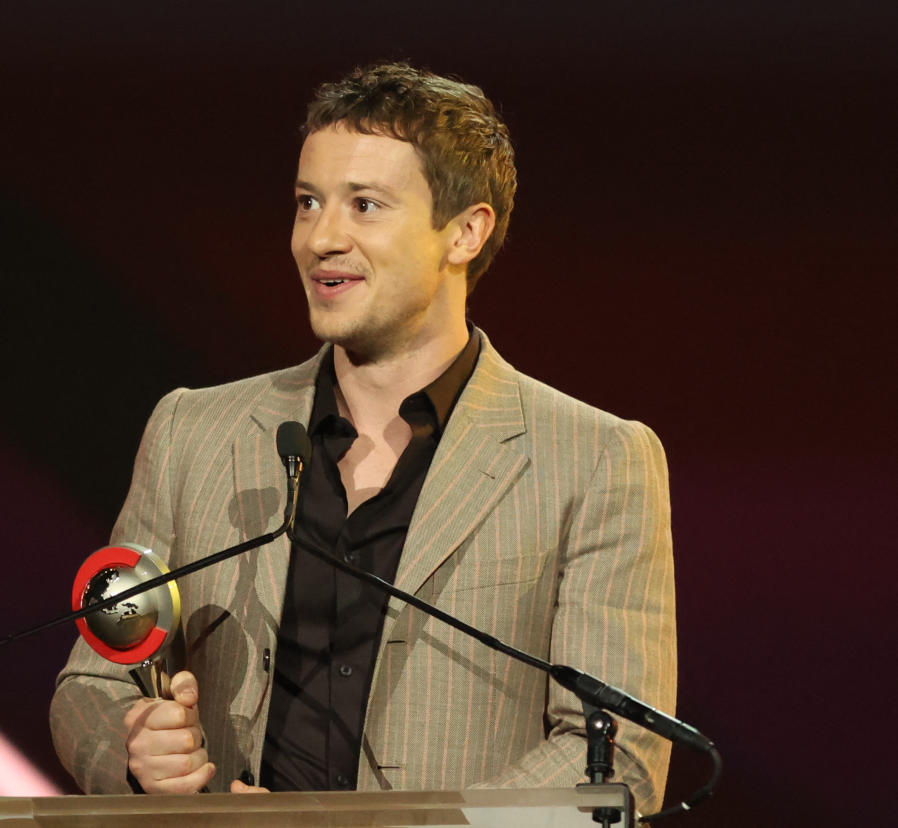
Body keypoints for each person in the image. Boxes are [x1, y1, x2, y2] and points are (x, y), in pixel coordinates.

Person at [50, 61, 676, 816]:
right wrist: (133, 744)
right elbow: (94, 679)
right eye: (307, 202)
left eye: (365, 205)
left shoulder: (594, 461)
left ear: (465, 232)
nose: (321, 238)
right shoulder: (192, 431)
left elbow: (615, 756)